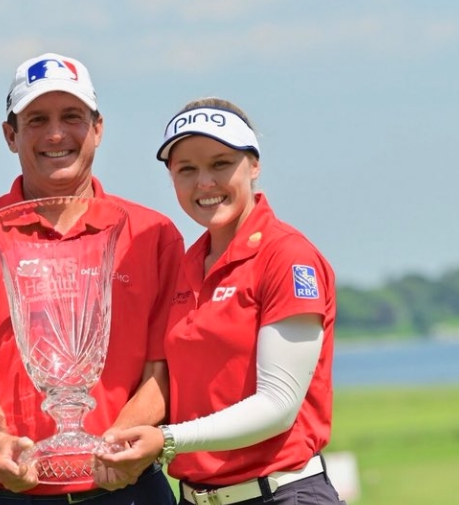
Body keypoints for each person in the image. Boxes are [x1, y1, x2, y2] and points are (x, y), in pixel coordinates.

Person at [0, 52, 183, 505]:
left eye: (72, 117)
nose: (56, 134)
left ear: (98, 129)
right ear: (10, 135)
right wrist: (0, 439)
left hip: (130, 490)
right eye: (36, 119)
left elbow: (162, 371)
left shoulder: (153, 236)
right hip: (16, 490)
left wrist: (112, 446)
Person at [96, 97, 345, 505]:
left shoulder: (288, 257)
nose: (204, 183)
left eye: (220, 163)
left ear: (254, 165)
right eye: (187, 169)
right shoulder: (185, 263)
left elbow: (278, 405)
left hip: (281, 494)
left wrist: (166, 440)